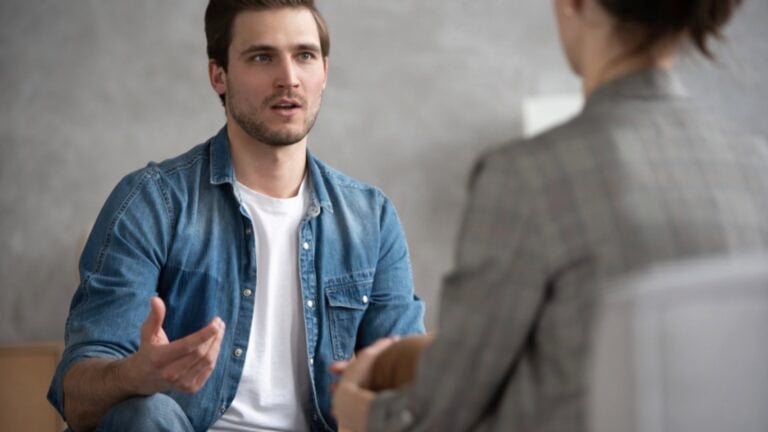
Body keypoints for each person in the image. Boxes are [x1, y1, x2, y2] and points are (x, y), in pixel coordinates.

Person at [332, 0, 768, 430]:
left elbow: (445, 406)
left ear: (574, 5)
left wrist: (361, 413)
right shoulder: (756, 164)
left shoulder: (526, 176)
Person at [47, 1, 425, 431]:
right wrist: (135, 375)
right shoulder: (152, 203)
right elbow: (76, 396)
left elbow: (412, 377)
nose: (288, 78)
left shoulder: (370, 218)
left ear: (324, 71)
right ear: (218, 76)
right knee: (142, 411)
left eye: (304, 55)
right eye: (262, 57)